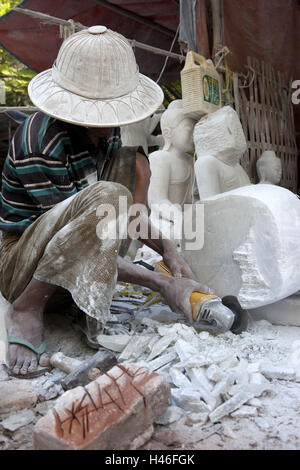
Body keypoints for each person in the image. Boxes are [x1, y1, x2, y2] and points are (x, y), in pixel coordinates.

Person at [0, 26, 210, 377]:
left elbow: (120, 218)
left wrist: (169, 251)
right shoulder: (39, 142)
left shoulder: (106, 133)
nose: (108, 124)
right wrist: (162, 283)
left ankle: (83, 300)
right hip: (22, 263)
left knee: (133, 165)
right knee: (111, 196)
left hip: (69, 255)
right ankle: (26, 308)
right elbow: (70, 240)